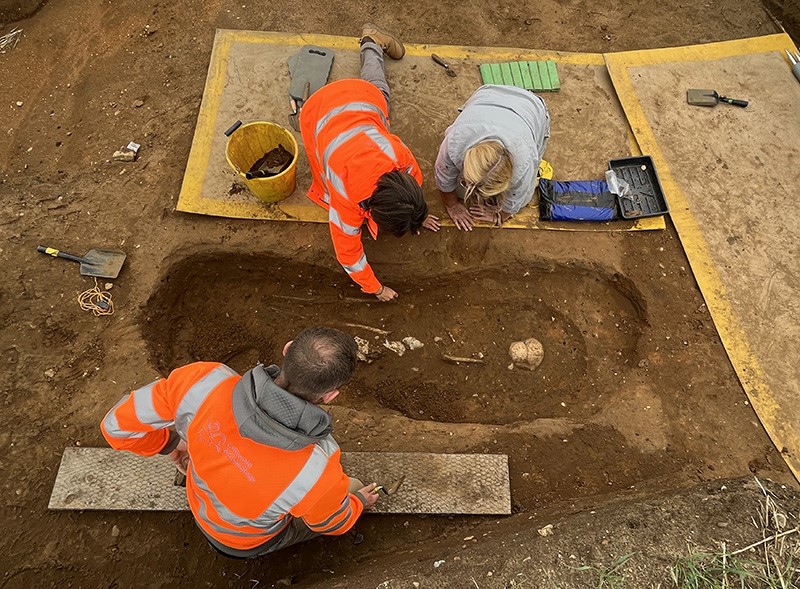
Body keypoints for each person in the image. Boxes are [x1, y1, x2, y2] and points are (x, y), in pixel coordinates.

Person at [100, 326, 379, 558]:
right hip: (240, 543)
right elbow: (332, 523)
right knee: (349, 488)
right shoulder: (317, 467)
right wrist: (356, 503)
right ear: (330, 395)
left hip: (199, 502)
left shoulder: (203, 381)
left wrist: (170, 443)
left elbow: (115, 427)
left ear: (287, 348)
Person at [299, 24, 439, 302]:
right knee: (374, 89)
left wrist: (418, 215)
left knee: (378, 88)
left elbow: (415, 182)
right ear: (371, 212)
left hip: (363, 98)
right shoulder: (345, 198)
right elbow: (348, 253)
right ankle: (371, 43)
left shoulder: (400, 159)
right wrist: (375, 288)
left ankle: (372, 43)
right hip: (317, 111)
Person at [434, 85, 550, 230]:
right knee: (459, 191)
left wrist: (501, 215)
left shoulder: (524, 161)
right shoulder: (455, 141)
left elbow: (516, 197)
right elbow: (443, 177)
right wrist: (452, 206)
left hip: (531, 107)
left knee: (525, 198)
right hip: (487, 95)